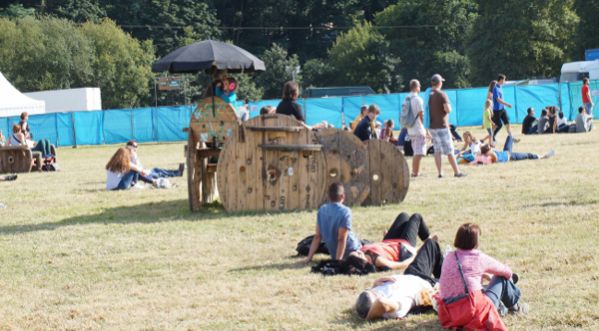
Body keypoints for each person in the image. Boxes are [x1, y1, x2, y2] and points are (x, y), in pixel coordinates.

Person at [437, 223, 528, 331]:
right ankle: (516, 307)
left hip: (450, 313)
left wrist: (480, 276)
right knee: (501, 278)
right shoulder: (477, 257)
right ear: (475, 241)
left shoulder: (449, 257)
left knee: (484, 286)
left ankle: (463, 324)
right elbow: (506, 272)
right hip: (472, 311)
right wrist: (506, 275)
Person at [355, 237, 444, 320]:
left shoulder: (372, 296)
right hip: (428, 286)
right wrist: (368, 318)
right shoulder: (392, 306)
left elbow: (363, 301)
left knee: (431, 244)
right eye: (374, 293)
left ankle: (444, 274)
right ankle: (446, 278)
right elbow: (381, 303)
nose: (376, 291)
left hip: (412, 273)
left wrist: (373, 286)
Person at [347, 212, 433, 272]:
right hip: (403, 249)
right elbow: (400, 265)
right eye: (358, 254)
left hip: (388, 242)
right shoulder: (378, 260)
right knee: (416, 217)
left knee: (403, 216)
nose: (358, 251)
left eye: (355, 252)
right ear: (362, 262)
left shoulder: (363, 251)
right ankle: (430, 244)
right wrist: (415, 255)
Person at [305, 183, 361, 262]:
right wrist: (337, 262)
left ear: (329, 196)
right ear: (343, 196)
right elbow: (341, 239)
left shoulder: (322, 210)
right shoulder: (345, 211)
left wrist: (309, 258)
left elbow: (317, 236)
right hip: (351, 251)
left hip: (334, 252)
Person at [428, 74, 465, 178]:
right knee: (449, 150)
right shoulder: (441, 94)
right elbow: (448, 109)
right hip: (442, 126)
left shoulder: (428, 94)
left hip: (432, 126)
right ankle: (457, 172)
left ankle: (440, 173)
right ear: (439, 83)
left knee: (437, 151)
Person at [471, 135, 554, 165]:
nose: (490, 146)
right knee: (528, 155)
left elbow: (479, 149)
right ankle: (543, 156)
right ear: (488, 150)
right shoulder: (491, 155)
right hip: (511, 156)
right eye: (489, 146)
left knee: (509, 137)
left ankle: (513, 140)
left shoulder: (486, 153)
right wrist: (490, 150)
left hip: (506, 151)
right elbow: (495, 158)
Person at [405, 79, 427, 177]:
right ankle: (415, 172)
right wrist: (425, 127)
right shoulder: (417, 99)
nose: (420, 88)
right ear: (416, 87)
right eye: (419, 86)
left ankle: (416, 171)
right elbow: (421, 114)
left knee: (416, 151)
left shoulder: (407, 98)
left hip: (410, 128)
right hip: (418, 128)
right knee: (418, 152)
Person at [492, 74, 513, 139]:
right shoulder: (495, 88)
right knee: (498, 125)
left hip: (503, 109)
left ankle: (511, 137)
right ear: (501, 80)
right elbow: (498, 100)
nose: (505, 81)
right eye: (504, 80)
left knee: (507, 123)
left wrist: (505, 106)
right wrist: (507, 104)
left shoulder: (500, 87)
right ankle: (492, 136)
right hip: (497, 110)